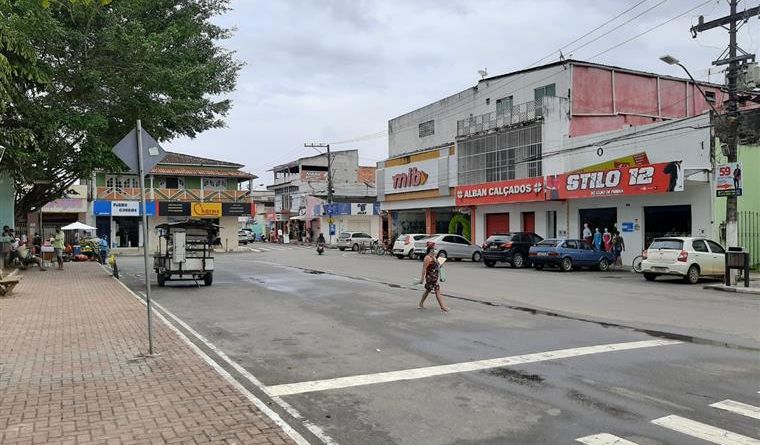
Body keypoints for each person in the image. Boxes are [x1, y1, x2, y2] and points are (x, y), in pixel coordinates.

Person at [417, 243, 449, 312]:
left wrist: (441, 264)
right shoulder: (427, 258)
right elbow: (424, 269)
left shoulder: (434, 257)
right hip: (430, 278)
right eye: (434, 249)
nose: (435, 250)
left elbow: (438, 265)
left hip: (434, 277)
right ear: (431, 250)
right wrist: (422, 279)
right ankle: (442, 307)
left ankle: (420, 304)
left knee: (428, 290)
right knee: (436, 290)